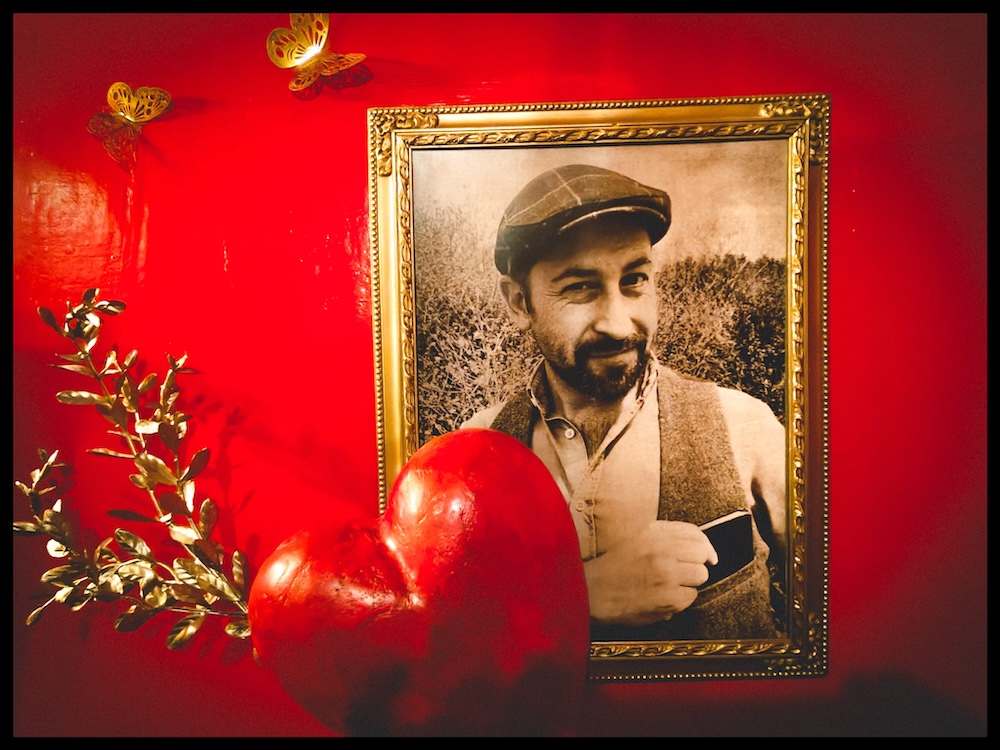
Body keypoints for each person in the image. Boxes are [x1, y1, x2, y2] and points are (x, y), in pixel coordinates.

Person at [461, 163, 787, 641]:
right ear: (519, 303)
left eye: (634, 279)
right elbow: (446, 636)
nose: (617, 324)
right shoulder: (473, 455)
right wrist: (580, 597)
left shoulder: (746, 426)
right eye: (580, 287)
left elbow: (838, 611)